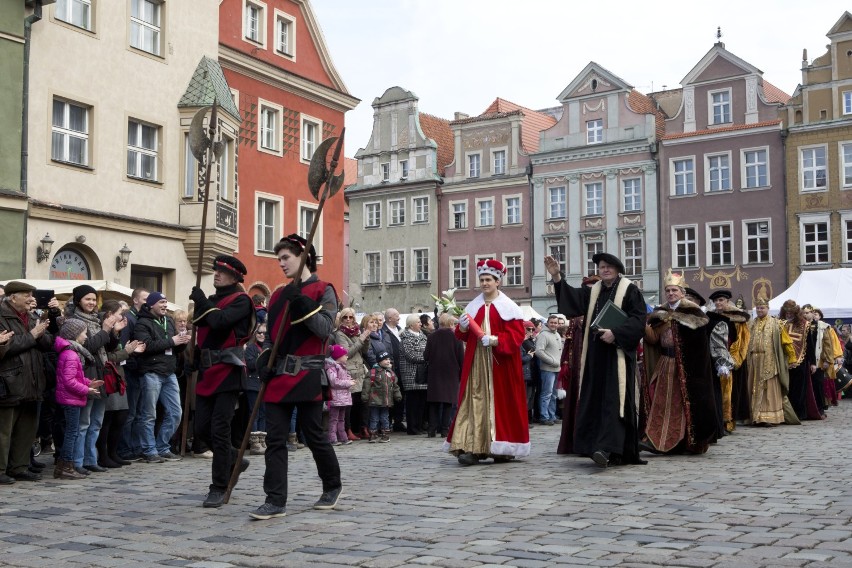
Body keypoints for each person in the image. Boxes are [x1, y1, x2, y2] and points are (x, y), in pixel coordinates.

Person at [251, 234, 342, 520]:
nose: (280, 263)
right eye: (278, 259)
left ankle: (332, 486)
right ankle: (275, 500)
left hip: (309, 374)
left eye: (286, 258)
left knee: (314, 435)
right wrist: (264, 361)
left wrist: (302, 302)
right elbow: (269, 338)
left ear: (303, 258)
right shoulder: (278, 295)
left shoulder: (324, 290)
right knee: (276, 438)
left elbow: (325, 329)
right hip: (279, 376)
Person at [545, 253, 646, 467]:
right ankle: (595, 446)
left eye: (609, 266)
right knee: (594, 399)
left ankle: (610, 448)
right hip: (594, 356)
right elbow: (571, 301)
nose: (605, 270)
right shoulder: (594, 291)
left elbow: (639, 320)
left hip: (616, 355)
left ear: (618, 269)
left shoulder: (630, 290)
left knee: (613, 401)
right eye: (601, 267)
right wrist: (556, 277)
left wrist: (616, 333)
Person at [445, 258, 529, 466]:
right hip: (476, 364)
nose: (484, 283)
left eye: (489, 279)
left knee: (501, 404)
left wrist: (494, 340)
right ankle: (472, 446)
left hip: (500, 366)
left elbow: (516, 337)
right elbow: (462, 335)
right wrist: (463, 327)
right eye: (482, 279)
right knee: (474, 402)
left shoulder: (509, 307)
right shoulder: (474, 306)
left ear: (498, 281)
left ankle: (502, 446)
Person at [188, 255, 255, 508]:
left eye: (222, 272)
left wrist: (202, 301)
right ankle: (235, 458)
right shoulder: (212, 301)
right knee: (202, 430)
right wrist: (193, 357)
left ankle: (219, 486)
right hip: (207, 371)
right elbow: (204, 334)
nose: (216, 274)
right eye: (215, 270)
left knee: (220, 428)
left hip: (228, 370)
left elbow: (219, 322)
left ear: (236, 277)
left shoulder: (241, 301)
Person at [642, 270, 717, 455]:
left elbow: (698, 346)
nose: (671, 294)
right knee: (660, 403)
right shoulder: (661, 313)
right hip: (665, 364)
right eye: (667, 290)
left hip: (686, 368)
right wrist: (642, 325)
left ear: (682, 292)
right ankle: (657, 440)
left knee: (683, 404)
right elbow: (653, 340)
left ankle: (685, 441)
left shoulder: (693, 312)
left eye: (674, 290)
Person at [0, 282, 58, 483]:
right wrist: (32, 335)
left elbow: (48, 343)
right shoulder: (2, 316)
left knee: (26, 429)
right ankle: (1, 470)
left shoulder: (32, 316)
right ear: (12, 297)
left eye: (31, 294)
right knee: (4, 431)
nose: (31, 298)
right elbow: (5, 347)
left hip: (33, 380)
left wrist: (40, 333)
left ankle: (19, 467)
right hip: (9, 380)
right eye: (26, 294)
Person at [65, 284, 124, 475]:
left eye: (93, 299)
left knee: (97, 421)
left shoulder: (97, 320)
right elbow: (88, 346)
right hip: (87, 374)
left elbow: (106, 348)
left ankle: (92, 458)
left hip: (101, 373)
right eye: (87, 299)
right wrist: (106, 330)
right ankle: (78, 461)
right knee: (84, 422)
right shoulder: (74, 321)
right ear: (78, 301)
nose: (91, 303)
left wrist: (114, 332)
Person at [133, 292, 189, 464]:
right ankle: (149, 450)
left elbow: (174, 347)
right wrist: (173, 341)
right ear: (151, 305)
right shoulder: (142, 323)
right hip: (151, 373)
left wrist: (183, 342)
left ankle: (162, 447)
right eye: (161, 302)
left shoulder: (169, 321)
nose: (165, 305)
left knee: (175, 413)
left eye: (166, 302)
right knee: (149, 414)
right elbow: (146, 346)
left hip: (169, 373)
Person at [53, 319, 103, 480]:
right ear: (75, 335)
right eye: (83, 332)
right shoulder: (71, 354)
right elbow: (69, 381)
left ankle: (63, 465)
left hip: (70, 398)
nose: (86, 336)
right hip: (71, 399)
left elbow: (75, 377)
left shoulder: (70, 352)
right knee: (72, 433)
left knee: (72, 432)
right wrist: (86, 389)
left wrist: (89, 382)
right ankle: (67, 465)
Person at [97, 300, 145, 468]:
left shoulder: (115, 331)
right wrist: (127, 351)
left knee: (121, 416)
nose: (123, 317)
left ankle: (113, 452)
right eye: (120, 313)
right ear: (110, 314)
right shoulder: (101, 329)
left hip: (118, 377)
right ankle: (103, 455)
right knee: (108, 419)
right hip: (108, 378)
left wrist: (127, 351)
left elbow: (116, 352)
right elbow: (108, 357)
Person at [746, 298, 798, 425]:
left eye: (762, 308)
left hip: (770, 360)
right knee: (753, 387)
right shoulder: (751, 324)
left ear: (768, 309)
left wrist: (792, 358)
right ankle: (754, 416)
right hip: (754, 361)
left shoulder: (777, 324)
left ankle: (768, 418)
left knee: (769, 389)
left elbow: (787, 342)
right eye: (758, 308)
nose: (759, 310)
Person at [117, 287, 148, 462]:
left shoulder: (142, 318)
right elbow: (125, 345)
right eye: (144, 299)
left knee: (137, 413)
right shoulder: (129, 318)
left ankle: (135, 447)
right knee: (130, 412)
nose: (147, 302)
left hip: (140, 370)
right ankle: (125, 448)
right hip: (130, 370)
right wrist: (132, 360)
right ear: (135, 300)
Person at [332, 307, 371, 441]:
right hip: (348, 371)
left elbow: (364, 351)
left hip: (360, 370)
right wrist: (362, 338)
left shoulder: (355, 332)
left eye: (351, 317)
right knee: (349, 403)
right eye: (345, 317)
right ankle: (348, 430)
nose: (348, 320)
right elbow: (347, 353)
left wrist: (366, 339)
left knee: (362, 401)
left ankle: (361, 427)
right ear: (341, 319)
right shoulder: (340, 334)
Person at [424, 313, 464, 438]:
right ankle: (445, 430)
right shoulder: (456, 337)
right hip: (451, 373)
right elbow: (461, 358)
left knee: (434, 403)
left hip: (435, 373)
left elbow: (426, 356)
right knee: (448, 403)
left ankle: (432, 429)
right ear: (451, 323)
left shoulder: (431, 337)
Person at [783, 301, 821, 421]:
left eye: (791, 312)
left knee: (799, 389)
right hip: (784, 361)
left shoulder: (805, 325)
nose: (788, 314)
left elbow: (810, 345)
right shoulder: (781, 324)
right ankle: (786, 414)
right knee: (786, 388)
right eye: (786, 312)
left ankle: (799, 413)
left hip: (801, 361)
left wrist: (813, 363)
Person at [362, 351, 401, 442]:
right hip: (375, 400)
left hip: (386, 401)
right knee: (374, 418)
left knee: (385, 418)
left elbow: (395, 385)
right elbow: (366, 386)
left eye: (389, 359)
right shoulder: (373, 372)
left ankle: (385, 435)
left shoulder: (390, 373)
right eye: (385, 359)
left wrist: (397, 395)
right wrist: (365, 397)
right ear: (379, 361)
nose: (388, 361)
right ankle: (373, 434)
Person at [400, 314, 428, 435]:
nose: (420, 324)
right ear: (411, 325)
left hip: (422, 373)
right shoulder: (406, 338)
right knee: (413, 402)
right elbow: (410, 355)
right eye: (418, 322)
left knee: (421, 402)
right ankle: (412, 427)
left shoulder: (423, 337)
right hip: (411, 373)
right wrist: (426, 358)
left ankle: (419, 425)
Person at [380, 308, 406, 432]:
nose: (399, 317)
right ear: (389, 318)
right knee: (389, 395)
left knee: (400, 394)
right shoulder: (384, 331)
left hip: (402, 368)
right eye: (396, 315)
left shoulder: (400, 330)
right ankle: (388, 421)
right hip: (390, 367)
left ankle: (398, 420)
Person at [535, 315, 562, 426]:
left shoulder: (557, 334)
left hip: (557, 368)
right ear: (548, 323)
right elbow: (539, 351)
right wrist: (552, 361)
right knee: (547, 393)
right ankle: (544, 416)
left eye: (555, 323)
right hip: (548, 369)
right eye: (552, 322)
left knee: (553, 394)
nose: (554, 324)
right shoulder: (543, 335)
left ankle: (552, 416)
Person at [244, 325, 267, 455]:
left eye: (265, 333)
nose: (262, 335)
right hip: (253, 384)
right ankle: (254, 442)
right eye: (260, 332)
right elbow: (251, 364)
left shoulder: (266, 347)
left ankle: (262, 440)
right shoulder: (251, 348)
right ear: (255, 333)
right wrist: (262, 360)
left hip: (264, 385)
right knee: (254, 413)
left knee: (263, 413)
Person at [325, 344, 353, 446]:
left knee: (342, 418)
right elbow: (334, 381)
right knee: (334, 419)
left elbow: (347, 377)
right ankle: (332, 438)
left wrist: (350, 380)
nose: (347, 357)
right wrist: (348, 383)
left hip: (343, 398)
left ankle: (343, 436)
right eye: (345, 355)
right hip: (336, 397)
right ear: (338, 356)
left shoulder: (343, 367)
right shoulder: (331, 368)